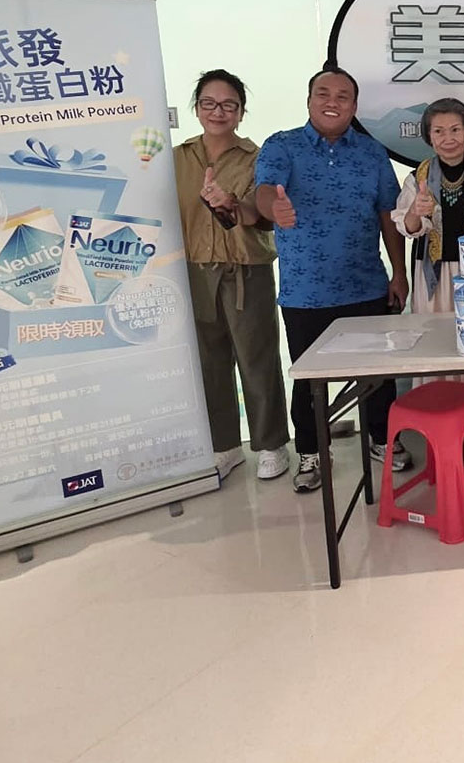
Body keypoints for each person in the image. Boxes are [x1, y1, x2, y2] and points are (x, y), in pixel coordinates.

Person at [255, 66, 411, 490]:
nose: (332, 102)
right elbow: (265, 191)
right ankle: (310, 453)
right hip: (304, 291)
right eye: (323, 93)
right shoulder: (282, 145)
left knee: (377, 376)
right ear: (309, 100)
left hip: (366, 284)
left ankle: (383, 440)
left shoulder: (371, 152)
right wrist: (274, 209)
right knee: (309, 380)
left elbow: (388, 214)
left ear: (354, 106)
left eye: (343, 96)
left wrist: (399, 272)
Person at [173, 70, 288, 483]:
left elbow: (263, 216)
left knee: (256, 359)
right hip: (194, 270)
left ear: (240, 112)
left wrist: (231, 204)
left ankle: (271, 444)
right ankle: (225, 446)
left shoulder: (258, 157)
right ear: (196, 108)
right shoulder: (177, 158)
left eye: (228, 105)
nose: (218, 112)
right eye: (209, 103)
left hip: (246, 270)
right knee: (209, 362)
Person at [391, 97, 464, 463]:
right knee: (438, 349)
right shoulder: (418, 179)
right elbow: (408, 228)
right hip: (434, 276)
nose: (448, 138)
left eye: (455, 129)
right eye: (439, 131)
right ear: (428, 137)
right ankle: (440, 425)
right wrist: (417, 211)